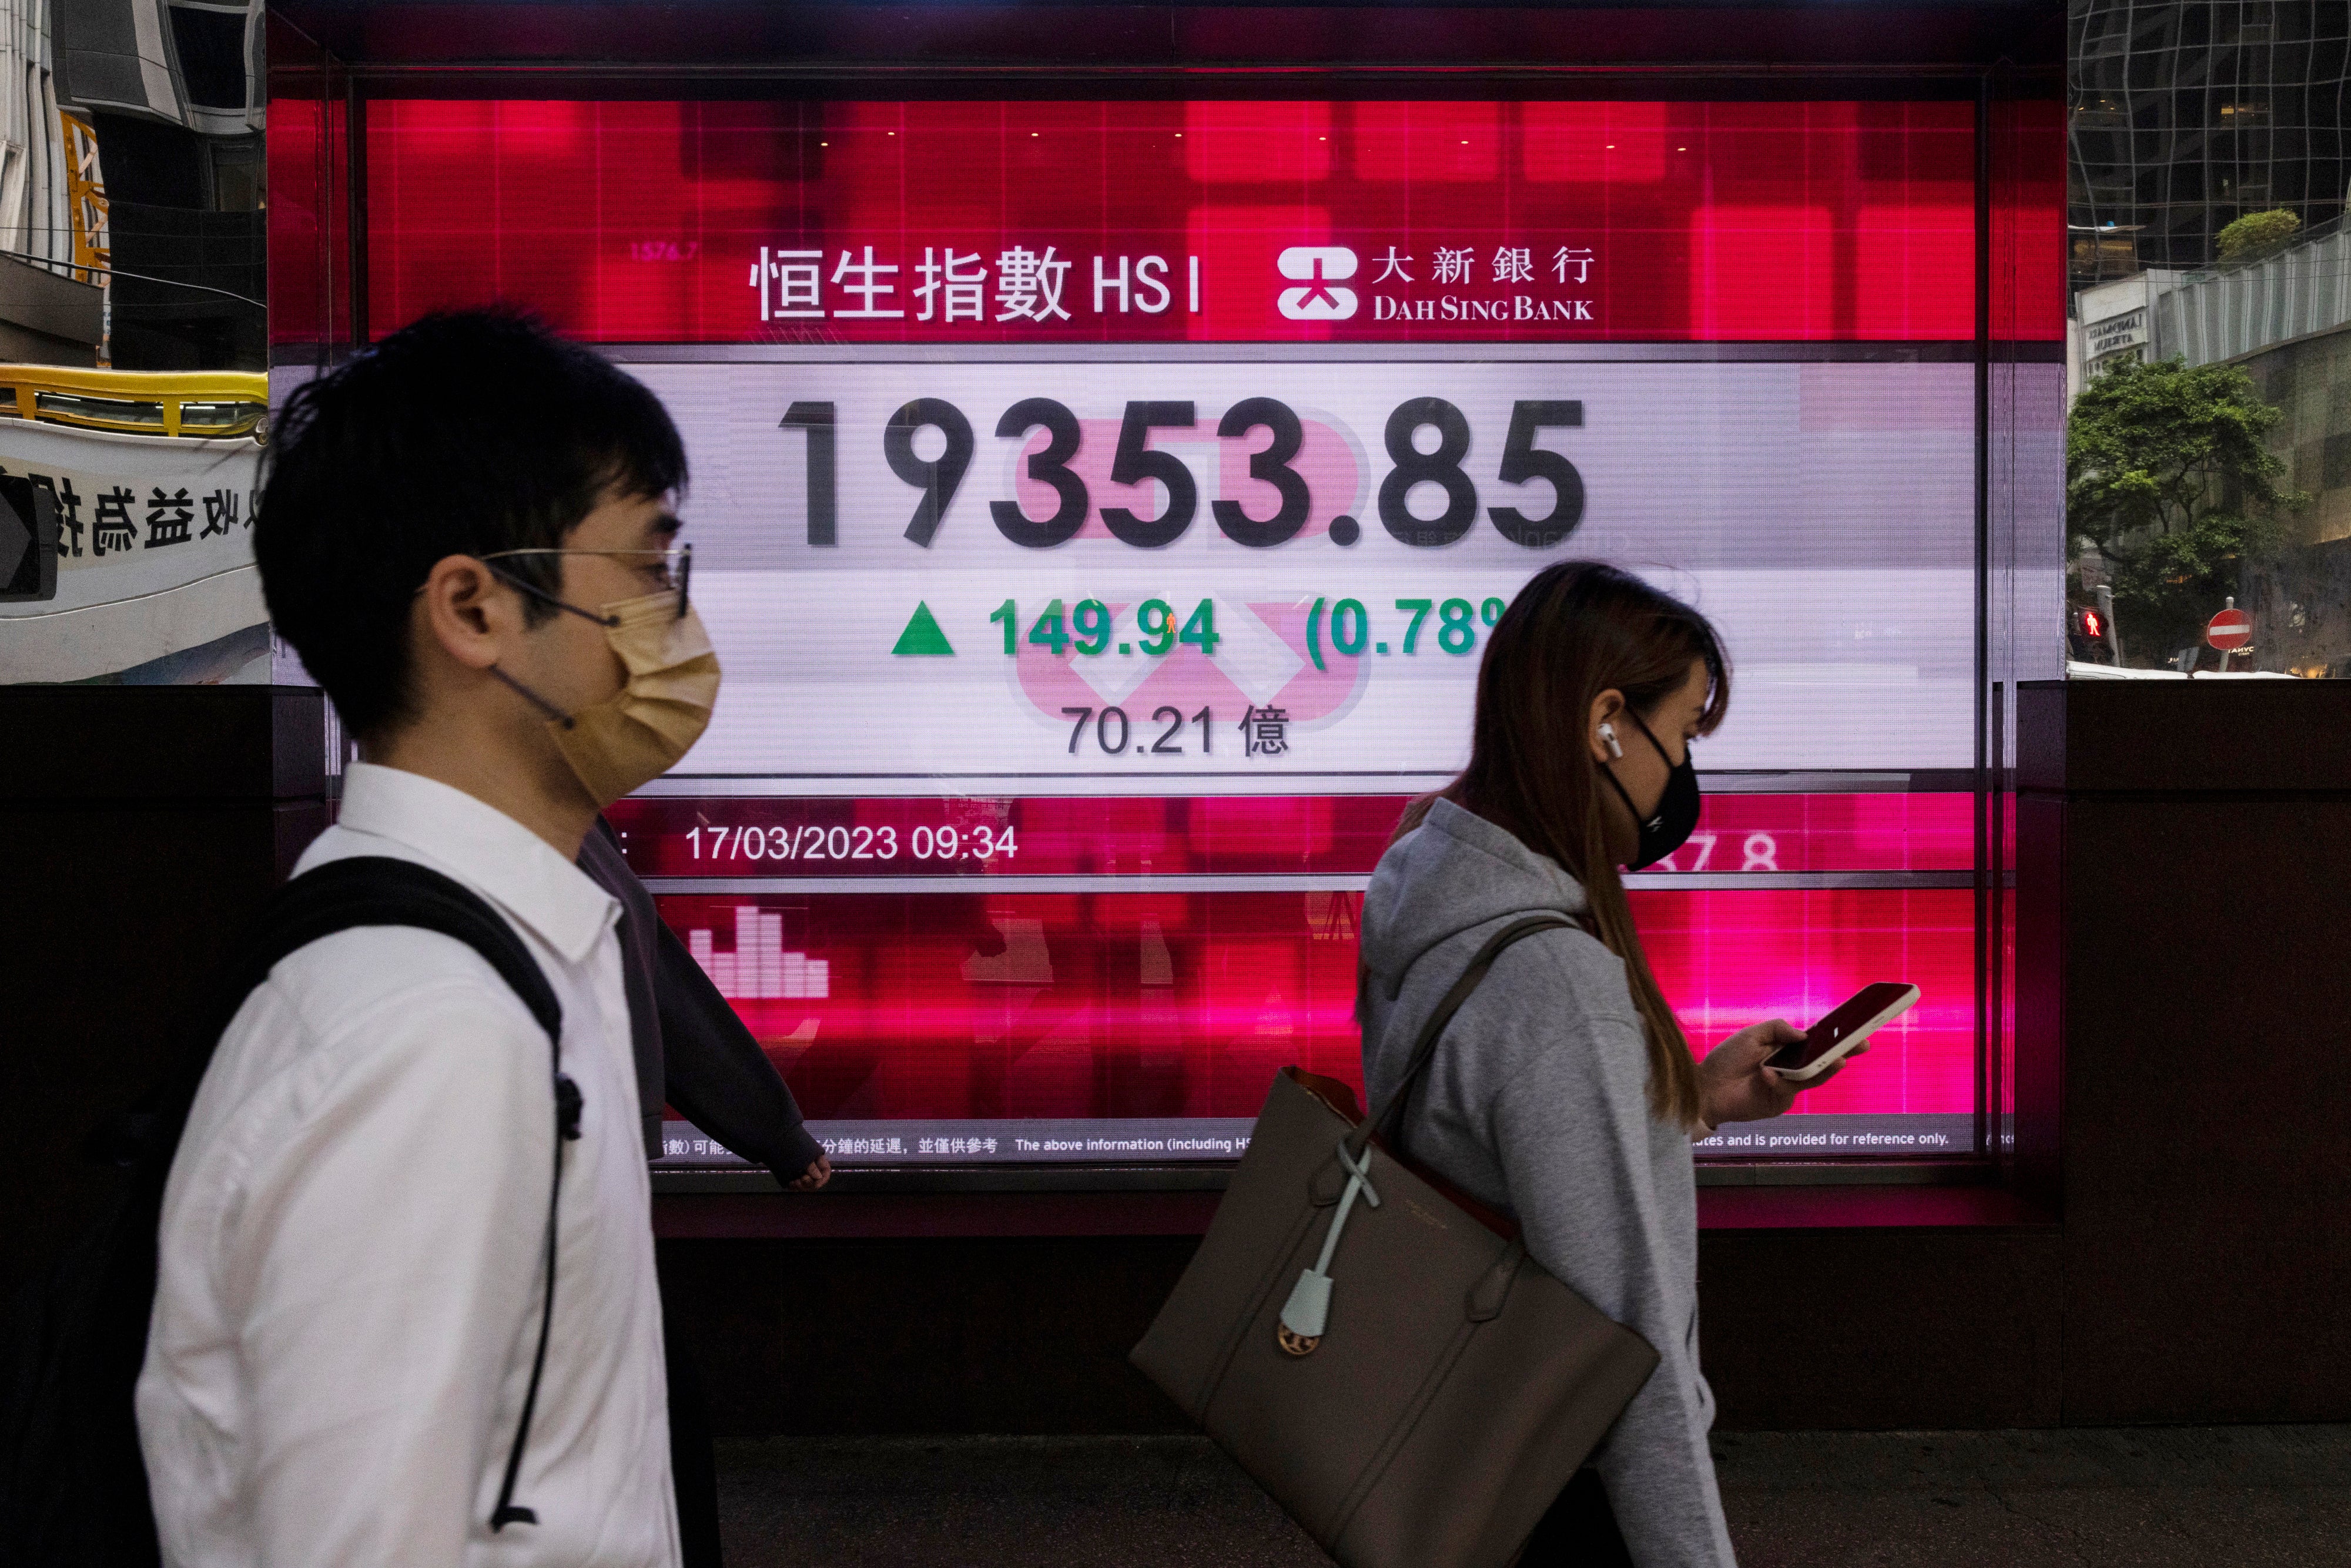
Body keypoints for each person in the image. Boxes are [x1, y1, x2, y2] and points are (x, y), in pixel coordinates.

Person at [138, 309, 714, 1567]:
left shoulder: (506, 956)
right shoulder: (426, 1035)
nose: (678, 620)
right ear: (472, 606)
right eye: (647, 565)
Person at [1357, 561, 1843, 1568]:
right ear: (1606, 722)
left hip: (1459, 1439)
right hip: (1558, 1498)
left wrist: (1689, 1100)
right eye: (1684, 735)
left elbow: (1491, 1146)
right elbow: (1635, 1356)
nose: (1684, 778)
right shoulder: (1555, 980)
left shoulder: (1421, 872)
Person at [574, 819, 830, 1568]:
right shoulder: (515, 833)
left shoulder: (568, 823)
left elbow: (657, 977)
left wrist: (770, 1128)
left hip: (595, 1167)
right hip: (550, 1180)